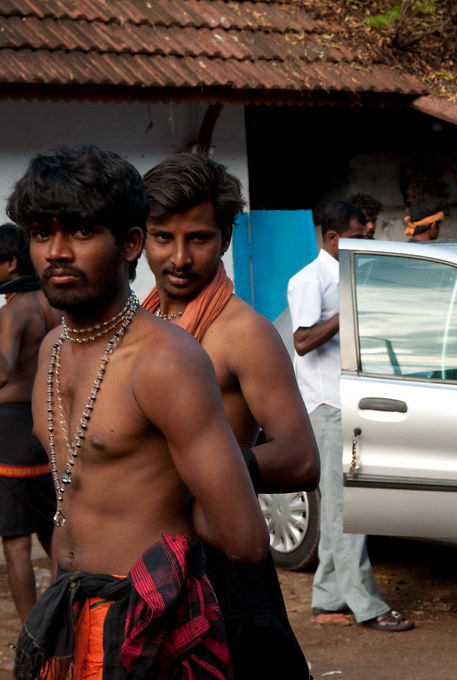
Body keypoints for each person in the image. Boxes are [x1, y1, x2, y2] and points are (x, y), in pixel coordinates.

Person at [6, 145, 268, 680]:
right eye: (41, 233)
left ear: (129, 243)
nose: (57, 252)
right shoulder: (53, 349)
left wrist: (170, 536)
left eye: (82, 232)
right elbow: (71, 499)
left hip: (147, 630)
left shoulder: (165, 361)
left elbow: (243, 538)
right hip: (68, 613)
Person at [141, 152, 320, 679]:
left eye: (198, 238)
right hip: (148, 559)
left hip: (222, 565)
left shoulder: (243, 333)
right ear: (139, 239)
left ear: (224, 239)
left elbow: (301, 458)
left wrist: (209, 469)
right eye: (162, 237)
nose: (179, 257)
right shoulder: (139, 327)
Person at [287, 200, 414, 632]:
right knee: (347, 510)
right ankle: (367, 606)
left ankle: (328, 598)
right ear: (333, 237)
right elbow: (302, 340)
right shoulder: (311, 280)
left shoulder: (349, 276)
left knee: (341, 506)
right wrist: (347, 314)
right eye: (360, 236)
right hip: (328, 406)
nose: (367, 242)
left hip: (352, 402)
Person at [0, 223, 59, 626]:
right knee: (53, 532)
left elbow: (3, 370)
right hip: (48, 424)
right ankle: (65, 624)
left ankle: (32, 638)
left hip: (11, 436)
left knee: (17, 544)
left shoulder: (13, 311)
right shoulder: (55, 304)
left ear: (9, 263)